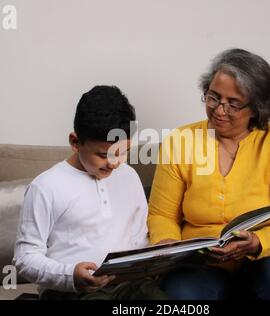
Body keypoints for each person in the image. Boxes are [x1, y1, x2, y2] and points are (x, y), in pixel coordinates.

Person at [148, 49, 270, 300]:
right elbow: (162, 214)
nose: (219, 110)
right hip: (202, 261)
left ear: (257, 107)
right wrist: (166, 242)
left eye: (233, 104)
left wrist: (257, 241)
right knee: (180, 295)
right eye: (213, 97)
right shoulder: (181, 141)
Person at [13, 85, 166, 300]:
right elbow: (25, 257)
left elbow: (139, 237)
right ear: (75, 142)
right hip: (72, 291)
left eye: (123, 152)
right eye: (103, 155)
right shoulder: (46, 187)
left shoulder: (129, 175)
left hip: (130, 285)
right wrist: (70, 276)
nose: (114, 163)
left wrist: (157, 256)